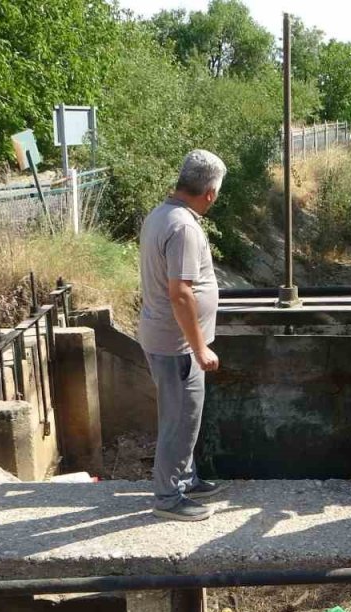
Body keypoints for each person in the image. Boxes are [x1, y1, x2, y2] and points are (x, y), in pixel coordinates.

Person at [137, 150, 227, 522]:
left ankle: (185, 479)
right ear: (209, 192)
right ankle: (168, 496)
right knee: (180, 419)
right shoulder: (185, 228)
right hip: (176, 345)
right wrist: (199, 346)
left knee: (183, 415)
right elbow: (181, 292)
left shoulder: (161, 215)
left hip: (163, 336)